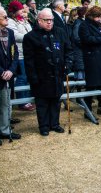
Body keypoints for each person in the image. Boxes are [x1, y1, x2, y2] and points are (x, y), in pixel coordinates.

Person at [23, 8, 73, 136]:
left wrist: (68, 64)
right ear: (39, 20)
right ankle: (44, 126)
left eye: (51, 20)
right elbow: (29, 60)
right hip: (41, 76)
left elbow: (68, 50)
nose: (50, 22)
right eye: (46, 20)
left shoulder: (60, 32)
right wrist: (33, 77)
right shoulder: (30, 37)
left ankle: (54, 124)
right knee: (42, 103)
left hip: (57, 74)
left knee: (56, 101)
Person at [0, 6, 20, 146]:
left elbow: (15, 54)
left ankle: (5, 130)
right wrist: (0, 72)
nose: (7, 18)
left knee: (6, 106)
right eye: (4, 17)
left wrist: (11, 70)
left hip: (8, 75)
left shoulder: (9, 32)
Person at [79, 6, 101, 116]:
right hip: (92, 58)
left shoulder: (98, 25)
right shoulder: (84, 25)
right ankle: (87, 110)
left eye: (100, 16)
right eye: (97, 16)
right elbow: (87, 39)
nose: (99, 19)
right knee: (91, 84)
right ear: (91, 16)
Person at [7, 0, 35, 111]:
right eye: (20, 9)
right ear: (14, 10)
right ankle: (22, 102)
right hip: (20, 54)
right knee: (22, 77)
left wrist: (25, 21)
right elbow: (15, 35)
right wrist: (30, 37)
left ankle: (27, 100)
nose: (22, 11)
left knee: (27, 77)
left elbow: (30, 30)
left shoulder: (22, 20)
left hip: (28, 52)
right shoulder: (10, 21)